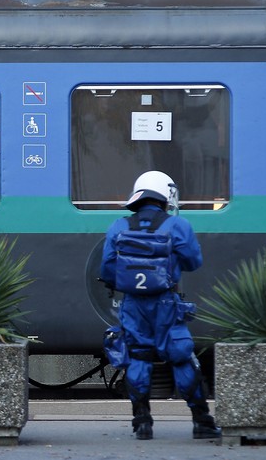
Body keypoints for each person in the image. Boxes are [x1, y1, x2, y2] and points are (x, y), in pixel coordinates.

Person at [99, 170, 220, 441]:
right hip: (166, 302)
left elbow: (107, 268)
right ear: (165, 197)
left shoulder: (119, 226)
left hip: (132, 304)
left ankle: (142, 422)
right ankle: (202, 421)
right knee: (180, 356)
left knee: (138, 357)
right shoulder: (178, 226)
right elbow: (193, 262)